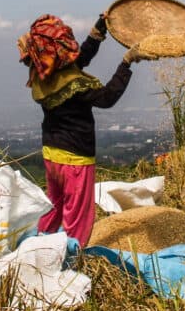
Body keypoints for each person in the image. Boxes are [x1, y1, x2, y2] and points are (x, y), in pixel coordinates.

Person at [18, 13, 153, 246]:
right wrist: (127, 62)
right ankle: (72, 257)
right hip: (75, 160)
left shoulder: (45, 74)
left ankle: (40, 246)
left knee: (54, 205)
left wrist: (98, 32)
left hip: (52, 155)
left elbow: (79, 60)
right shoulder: (75, 86)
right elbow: (107, 97)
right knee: (77, 216)